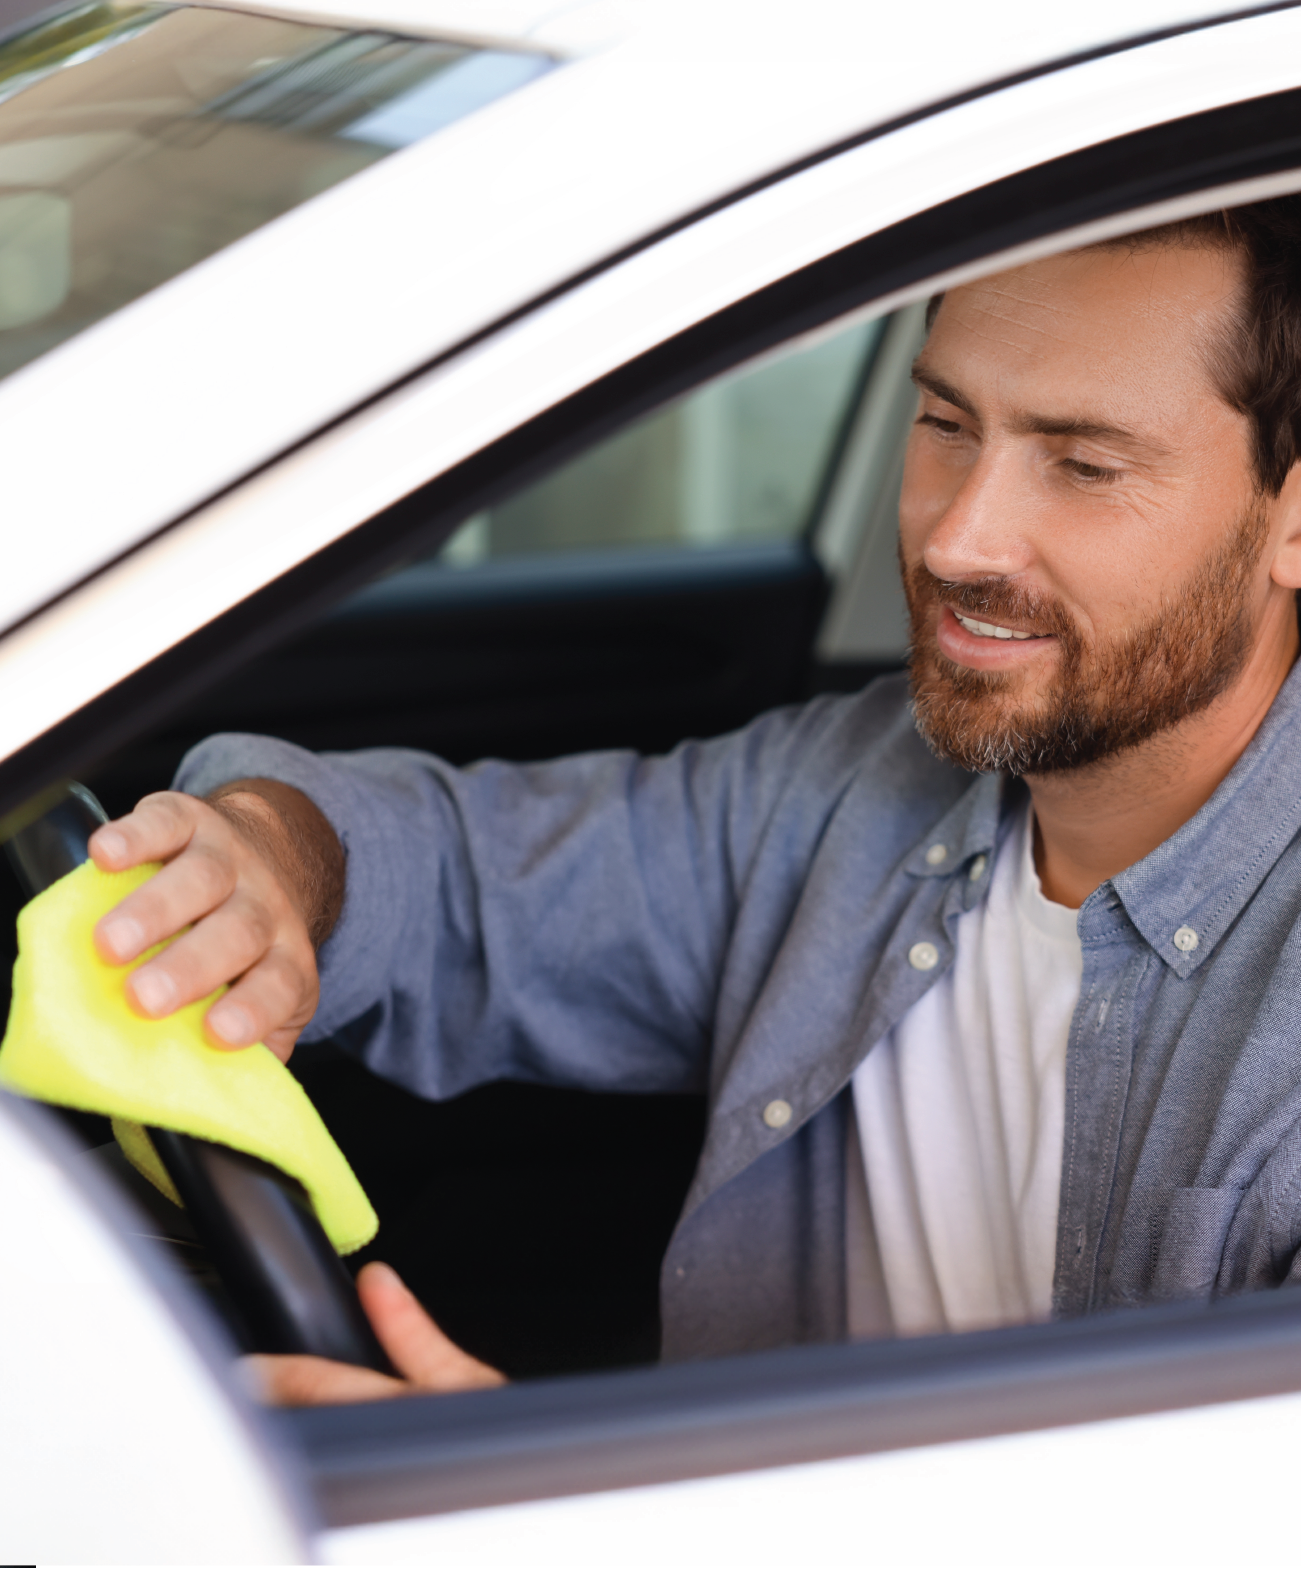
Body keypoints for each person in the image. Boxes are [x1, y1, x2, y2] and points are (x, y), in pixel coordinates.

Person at [86, 200, 1301, 1405]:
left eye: (1082, 466)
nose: (958, 539)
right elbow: (466, 883)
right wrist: (270, 858)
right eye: (942, 423)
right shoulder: (851, 792)